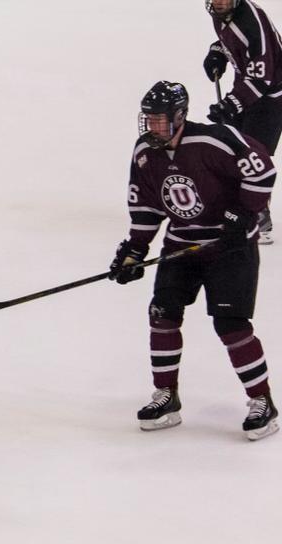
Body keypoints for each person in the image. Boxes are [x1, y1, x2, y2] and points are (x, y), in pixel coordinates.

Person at [110, 80, 278, 440]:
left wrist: (244, 213)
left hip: (228, 247)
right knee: (162, 314)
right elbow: (146, 204)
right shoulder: (145, 152)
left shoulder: (214, 140)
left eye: (160, 120)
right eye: (149, 119)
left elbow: (262, 169)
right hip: (181, 246)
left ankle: (262, 401)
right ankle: (166, 396)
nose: (153, 127)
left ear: (180, 116)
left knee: (231, 324)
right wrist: (135, 249)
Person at [202, 0, 282, 244]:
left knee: (253, 155)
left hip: (273, 95)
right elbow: (232, 41)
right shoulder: (222, 13)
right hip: (248, 88)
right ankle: (235, 210)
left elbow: (261, 79)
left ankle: (258, 218)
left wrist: (231, 104)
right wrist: (218, 51)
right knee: (232, 150)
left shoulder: (251, 23)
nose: (219, 2)